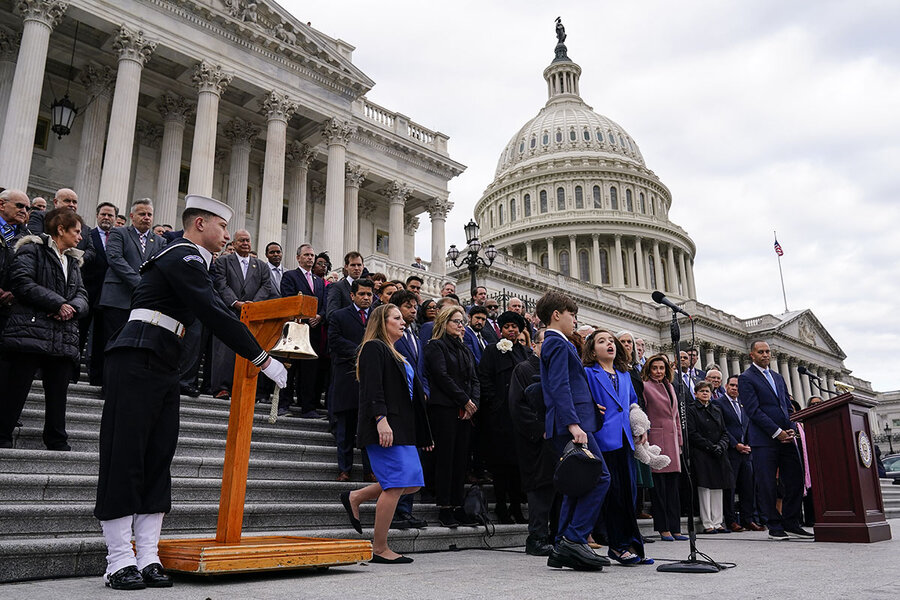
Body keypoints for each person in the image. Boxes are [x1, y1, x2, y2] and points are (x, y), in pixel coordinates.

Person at [93, 195, 288, 590]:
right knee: (125, 454)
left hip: (163, 359)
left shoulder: (195, 262)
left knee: (158, 457)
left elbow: (217, 306)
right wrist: (262, 358)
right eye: (221, 227)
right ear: (199, 223)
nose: (227, 237)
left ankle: (147, 555)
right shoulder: (182, 254)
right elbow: (213, 311)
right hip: (136, 355)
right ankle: (118, 559)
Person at [340, 304, 433, 563]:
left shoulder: (395, 352)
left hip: (403, 428)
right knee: (395, 485)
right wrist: (381, 420)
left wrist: (423, 435)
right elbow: (372, 388)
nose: (403, 322)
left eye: (403, 318)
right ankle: (379, 548)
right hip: (385, 426)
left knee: (411, 482)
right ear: (383, 322)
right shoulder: (373, 347)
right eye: (397, 318)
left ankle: (355, 496)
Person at [0, 208, 89, 450]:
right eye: (76, 231)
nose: (80, 237)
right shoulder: (32, 249)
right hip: (29, 332)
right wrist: (57, 303)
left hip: (62, 336)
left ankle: (57, 439)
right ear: (61, 229)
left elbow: (82, 294)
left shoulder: (72, 260)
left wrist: (71, 307)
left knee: (59, 393)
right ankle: (2, 435)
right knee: (15, 389)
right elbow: (21, 281)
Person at [536, 291, 609, 571]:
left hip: (572, 421)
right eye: (572, 315)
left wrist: (589, 408)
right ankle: (574, 539)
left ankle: (562, 546)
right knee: (600, 477)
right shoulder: (556, 343)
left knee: (577, 483)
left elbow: (570, 386)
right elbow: (558, 385)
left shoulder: (558, 343)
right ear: (557, 314)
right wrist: (574, 423)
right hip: (571, 426)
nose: (575, 321)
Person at [582, 329, 649, 565]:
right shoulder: (589, 373)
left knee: (629, 493)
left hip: (625, 440)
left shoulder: (624, 374)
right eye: (602, 341)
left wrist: (639, 426)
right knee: (614, 495)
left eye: (611, 341)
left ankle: (633, 545)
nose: (609, 344)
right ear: (592, 349)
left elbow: (632, 403)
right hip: (602, 439)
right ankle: (618, 546)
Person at [738, 340, 813, 541]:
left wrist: (790, 428)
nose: (765, 355)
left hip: (786, 437)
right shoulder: (746, 378)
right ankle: (774, 525)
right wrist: (776, 431)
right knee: (767, 483)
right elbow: (753, 410)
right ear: (751, 355)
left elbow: (787, 405)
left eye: (768, 351)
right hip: (764, 440)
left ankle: (791, 522)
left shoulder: (778, 377)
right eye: (760, 352)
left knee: (795, 478)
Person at [423, 304, 480, 528]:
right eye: (456, 322)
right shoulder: (435, 346)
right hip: (444, 408)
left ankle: (457, 506)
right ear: (444, 323)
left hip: (465, 411)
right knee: (446, 459)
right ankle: (444, 507)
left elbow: (474, 379)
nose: (461, 326)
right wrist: (464, 400)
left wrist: (472, 404)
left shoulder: (465, 348)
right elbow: (442, 376)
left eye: (462, 322)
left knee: (461, 460)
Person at [508, 328, 558, 556]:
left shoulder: (556, 368)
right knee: (540, 489)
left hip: (558, 438)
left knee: (559, 488)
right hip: (536, 440)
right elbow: (517, 405)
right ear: (535, 346)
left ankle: (558, 536)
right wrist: (541, 430)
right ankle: (537, 537)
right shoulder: (524, 369)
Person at [478, 310, 530, 524]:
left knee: (518, 465)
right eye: (507, 327)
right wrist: (495, 403)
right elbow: (484, 377)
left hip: (520, 416)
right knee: (501, 465)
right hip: (500, 416)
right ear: (501, 329)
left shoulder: (525, 353)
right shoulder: (492, 350)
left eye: (514, 327)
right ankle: (501, 506)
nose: (511, 330)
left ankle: (517, 506)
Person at [98, 199, 166, 363]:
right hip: (117, 299)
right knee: (111, 343)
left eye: (149, 214)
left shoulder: (160, 241)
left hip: (143, 304)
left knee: (133, 347)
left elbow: (160, 267)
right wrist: (140, 283)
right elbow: (115, 259)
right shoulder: (118, 233)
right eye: (142, 214)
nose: (147, 217)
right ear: (132, 216)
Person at [209, 229, 273, 400]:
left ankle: (246, 387)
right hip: (228, 311)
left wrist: (252, 305)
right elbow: (221, 285)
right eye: (241, 241)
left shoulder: (261, 265)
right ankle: (221, 387)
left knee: (251, 350)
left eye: (248, 240)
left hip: (252, 315)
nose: (245, 243)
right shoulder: (223, 261)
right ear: (234, 243)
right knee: (224, 351)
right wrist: (236, 303)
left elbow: (267, 287)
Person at [388, 290, 428, 530]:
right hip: (399, 403)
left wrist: (426, 393)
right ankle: (395, 512)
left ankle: (406, 510)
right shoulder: (391, 337)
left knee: (413, 461)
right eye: (407, 306)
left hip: (417, 403)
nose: (413, 310)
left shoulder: (415, 334)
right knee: (401, 462)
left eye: (415, 306)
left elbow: (421, 370)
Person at [328, 278, 375, 481]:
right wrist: (361, 351)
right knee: (345, 428)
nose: (366, 298)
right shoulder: (339, 316)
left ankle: (370, 470)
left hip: (370, 380)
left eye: (369, 294)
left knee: (369, 428)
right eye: (362, 294)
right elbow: (335, 340)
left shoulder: (377, 317)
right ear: (352, 295)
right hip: (346, 378)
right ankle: (344, 469)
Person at [641, 354, 687, 541]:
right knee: (659, 488)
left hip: (673, 442)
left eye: (661, 368)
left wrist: (680, 440)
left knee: (673, 488)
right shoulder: (645, 386)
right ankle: (663, 528)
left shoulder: (670, 387)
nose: (658, 371)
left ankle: (676, 528)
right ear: (649, 370)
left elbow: (675, 416)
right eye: (655, 368)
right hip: (656, 440)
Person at [279, 244, 327, 417]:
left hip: (312, 332)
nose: (310, 258)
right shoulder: (290, 276)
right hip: (294, 330)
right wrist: (306, 316)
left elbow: (325, 304)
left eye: (312, 255)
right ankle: (283, 405)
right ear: (298, 257)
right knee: (289, 368)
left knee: (310, 371)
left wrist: (320, 316)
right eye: (306, 255)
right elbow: (288, 298)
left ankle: (308, 407)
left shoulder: (319, 281)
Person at [714, 374, 763, 532]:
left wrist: (749, 444)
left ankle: (748, 519)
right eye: (732, 385)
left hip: (747, 452)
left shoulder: (744, 404)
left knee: (747, 487)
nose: (735, 388)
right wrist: (736, 445)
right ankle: (731, 521)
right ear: (726, 386)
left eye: (737, 386)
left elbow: (748, 426)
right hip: (730, 452)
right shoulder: (719, 403)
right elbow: (722, 428)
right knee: (730, 488)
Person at [686, 381, 733, 534]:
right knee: (704, 487)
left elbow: (725, 432)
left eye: (707, 391)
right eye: (702, 391)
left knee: (718, 487)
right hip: (702, 452)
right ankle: (708, 523)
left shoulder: (717, 410)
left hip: (718, 453)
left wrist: (721, 446)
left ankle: (718, 521)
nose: (705, 394)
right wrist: (710, 446)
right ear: (696, 393)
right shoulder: (691, 410)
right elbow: (692, 433)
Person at [80, 202, 118, 385]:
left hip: (109, 297)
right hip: (87, 292)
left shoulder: (119, 237)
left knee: (101, 338)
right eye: (103, 214)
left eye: (110, 215)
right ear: (97, 216)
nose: (106, 218)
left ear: (116, 219)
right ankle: (71, 374)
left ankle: (96, 377)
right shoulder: (87, 235)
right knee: (79, 333)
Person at [326, 251, 364, 319]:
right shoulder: (336, 287)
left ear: (363, 266)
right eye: (353, 265)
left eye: (359, 265)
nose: (356, 268)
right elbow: (331, 314)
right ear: (346, 267)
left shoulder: (366, 288)